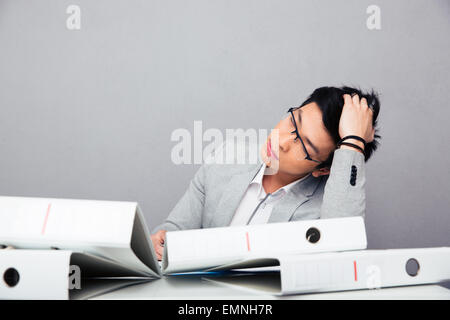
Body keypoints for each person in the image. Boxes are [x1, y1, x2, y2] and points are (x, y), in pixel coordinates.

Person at [151, 86, 380, 260]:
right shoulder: (228, 155)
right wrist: (160, 241)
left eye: (305, 146)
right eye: (293, 121)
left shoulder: (330, 206)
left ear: (323, 169)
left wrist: (353, 143)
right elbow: (175, 229)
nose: (282, 142)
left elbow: (341, 251)